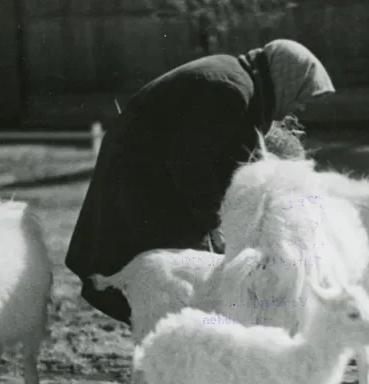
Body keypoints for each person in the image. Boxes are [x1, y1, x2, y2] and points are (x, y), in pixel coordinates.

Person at [65, 39, 335, 325]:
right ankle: (174, 351)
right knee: (171, 273)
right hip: (144, 183)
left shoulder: (238, 80)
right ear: (286, 81)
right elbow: (195, 169)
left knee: (177, 275)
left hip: (150, 176)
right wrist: (220, 226)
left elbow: (228, 158)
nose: (300, 107)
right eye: (302, 96)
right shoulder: (230, 89)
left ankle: (174, 344)